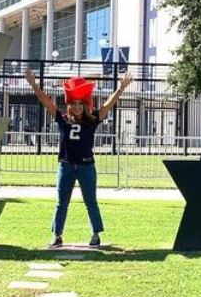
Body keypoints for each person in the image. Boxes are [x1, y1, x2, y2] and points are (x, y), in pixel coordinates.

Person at [24, 70, 133, 248]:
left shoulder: (93, 120)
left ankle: (95, 234)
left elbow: (108, 104)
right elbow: (46, 103)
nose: (76, 107)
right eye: (73, 104)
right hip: (66, 166)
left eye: (79, 104)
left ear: (85, 105)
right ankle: (57, 235)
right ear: (69, 105)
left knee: (91, 201)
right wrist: (34, 85)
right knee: (61, 202)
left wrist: (120, 88)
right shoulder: (63, 119)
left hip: (86, 167)